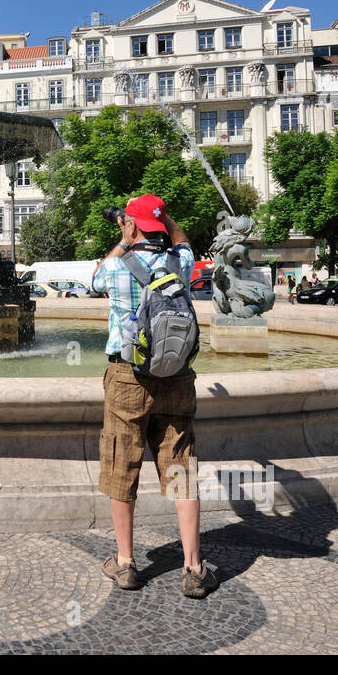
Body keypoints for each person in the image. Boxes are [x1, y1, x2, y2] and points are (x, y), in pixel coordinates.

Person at [90, 194, 216, 598]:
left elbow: (93, 281)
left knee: (121, 462)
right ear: (161, 226)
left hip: (128, 376)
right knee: (181, 465)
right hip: (177, 376)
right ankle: (194, 568)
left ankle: (125, 564)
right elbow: (184, 241)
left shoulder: (115, 266)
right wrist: (163, 219)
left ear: (132, 225)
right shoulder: (180, 262)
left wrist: (125, 239)